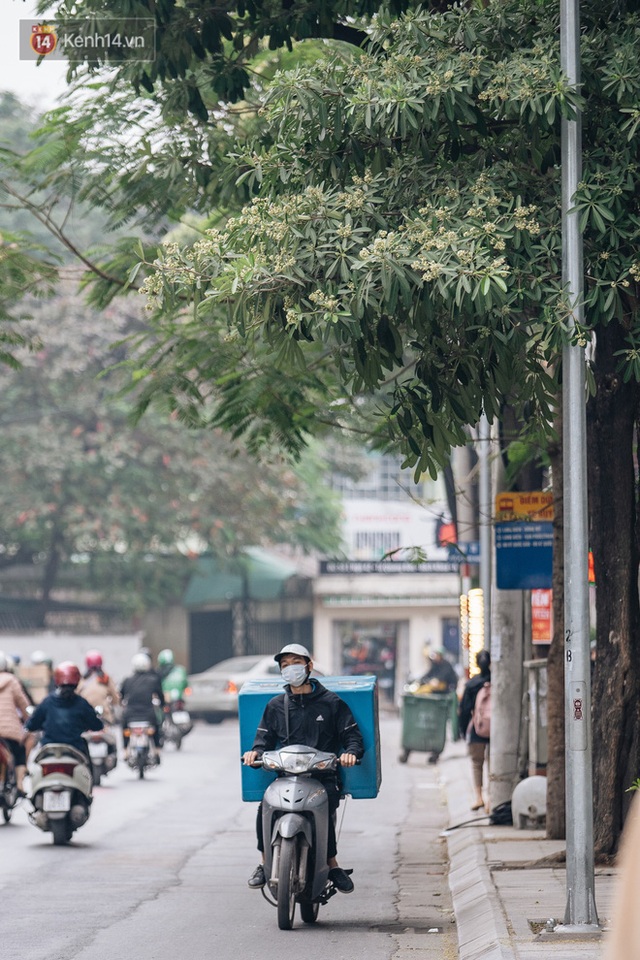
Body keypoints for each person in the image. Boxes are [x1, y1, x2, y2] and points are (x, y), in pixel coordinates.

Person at [242, 643, 364, 894]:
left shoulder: (332, 702)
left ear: (309, 666)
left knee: (325, 806)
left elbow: (352, 736)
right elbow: (262, 740)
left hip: (322, 777)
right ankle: (264, 863)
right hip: (286, 776)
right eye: (284, 665)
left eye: (295, 663)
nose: (290, 669)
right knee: (264, 807)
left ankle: (332, 865)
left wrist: (351, 754)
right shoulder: (276, 705)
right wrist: (255, 753)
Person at [24, 661, 104, 759]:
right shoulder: (81, 703)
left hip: (48, 751)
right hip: (75, 750)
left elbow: (32, 724)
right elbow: (96, 725)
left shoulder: (47, 702)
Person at [458, 649, 491, 812]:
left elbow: (464, 710)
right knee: (494, 764)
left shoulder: (471, 684)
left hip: (477, 729)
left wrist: (463, 731)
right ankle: (492, 799)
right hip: (497, 730)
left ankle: (479, 798)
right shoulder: (498, 681)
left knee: (477, 763)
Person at [418, 647, 459, 764]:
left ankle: (454, 736)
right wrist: (420, 680)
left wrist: (434, 681)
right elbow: (429, 674)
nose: (435, 657)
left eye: (436, 655)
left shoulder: (446, 666)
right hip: (435, 697)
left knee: (444, 722)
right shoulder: (435, 665)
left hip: (445, 697)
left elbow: (441, 679)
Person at [119, 652, 165, 756]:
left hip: (130, 714)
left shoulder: (127, 680)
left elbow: (121, 696)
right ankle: (157, 749)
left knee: (125, 728)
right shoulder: (153, 680)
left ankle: (125, 750)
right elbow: (160, 695)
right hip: (148, 714)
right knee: (156, 727)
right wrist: (163, 705)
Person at [0, 651, 31, 795]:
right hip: (9, 732)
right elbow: (23, 704)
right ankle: (19, 785)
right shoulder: (12, 680)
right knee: (20, 754)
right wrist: (29, 720)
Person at [77, 650, 122, 724]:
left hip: (84, 715)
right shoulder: (106, 678)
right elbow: (115, 697)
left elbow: (75, 694)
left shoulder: (82, 680)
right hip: (104, 716)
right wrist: (114, 703)